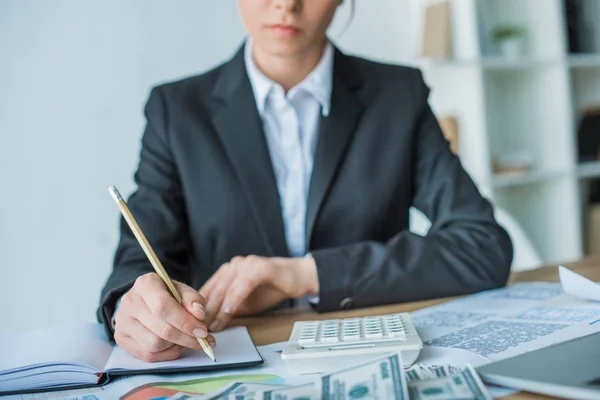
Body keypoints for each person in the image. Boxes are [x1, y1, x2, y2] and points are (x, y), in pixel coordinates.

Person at [98, 0, 513, 362]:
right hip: (229, 355)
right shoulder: (176, 111)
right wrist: (128, 306)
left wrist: (306, 274)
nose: (287, 3)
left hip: (369, 351)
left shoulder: (398, 96)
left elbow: (483, 246)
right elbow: (138, 257)